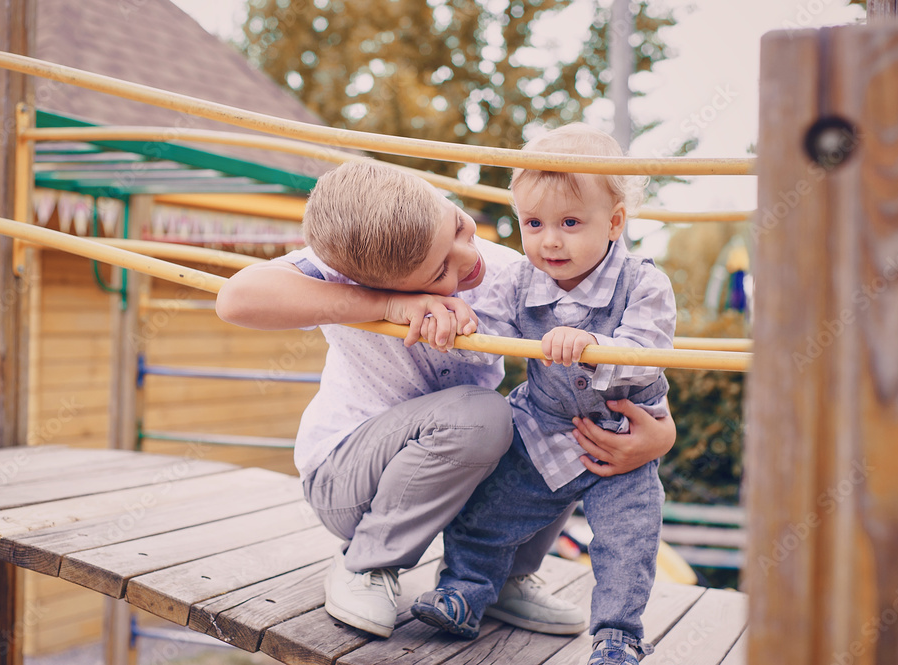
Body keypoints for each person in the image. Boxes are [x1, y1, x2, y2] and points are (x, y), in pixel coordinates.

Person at [215, 160, 676, 640]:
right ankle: (365, 562)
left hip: (455, 482)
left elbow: (594, 365)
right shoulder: (349, 269)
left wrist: (661, 434)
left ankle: (500, 577)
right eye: (440, 270)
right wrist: (387, 306)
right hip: (351, 485)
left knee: (549, 425)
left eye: (457, 225)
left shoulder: (508, 271)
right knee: (482, 415)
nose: (468, 256)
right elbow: (237, 299)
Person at [410, 124, 675, 665]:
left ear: (614, 222)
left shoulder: (644, 284)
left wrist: (593, 347)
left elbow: (646, 353)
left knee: (628, 541)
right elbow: (488, 335)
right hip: (542, 427)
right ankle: (463, 591)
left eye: (570, 223)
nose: (550, 241)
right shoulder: (518, 280)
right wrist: (461, 324)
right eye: (534, 223)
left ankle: (618, 636)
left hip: (622, 442)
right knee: (489, 511)